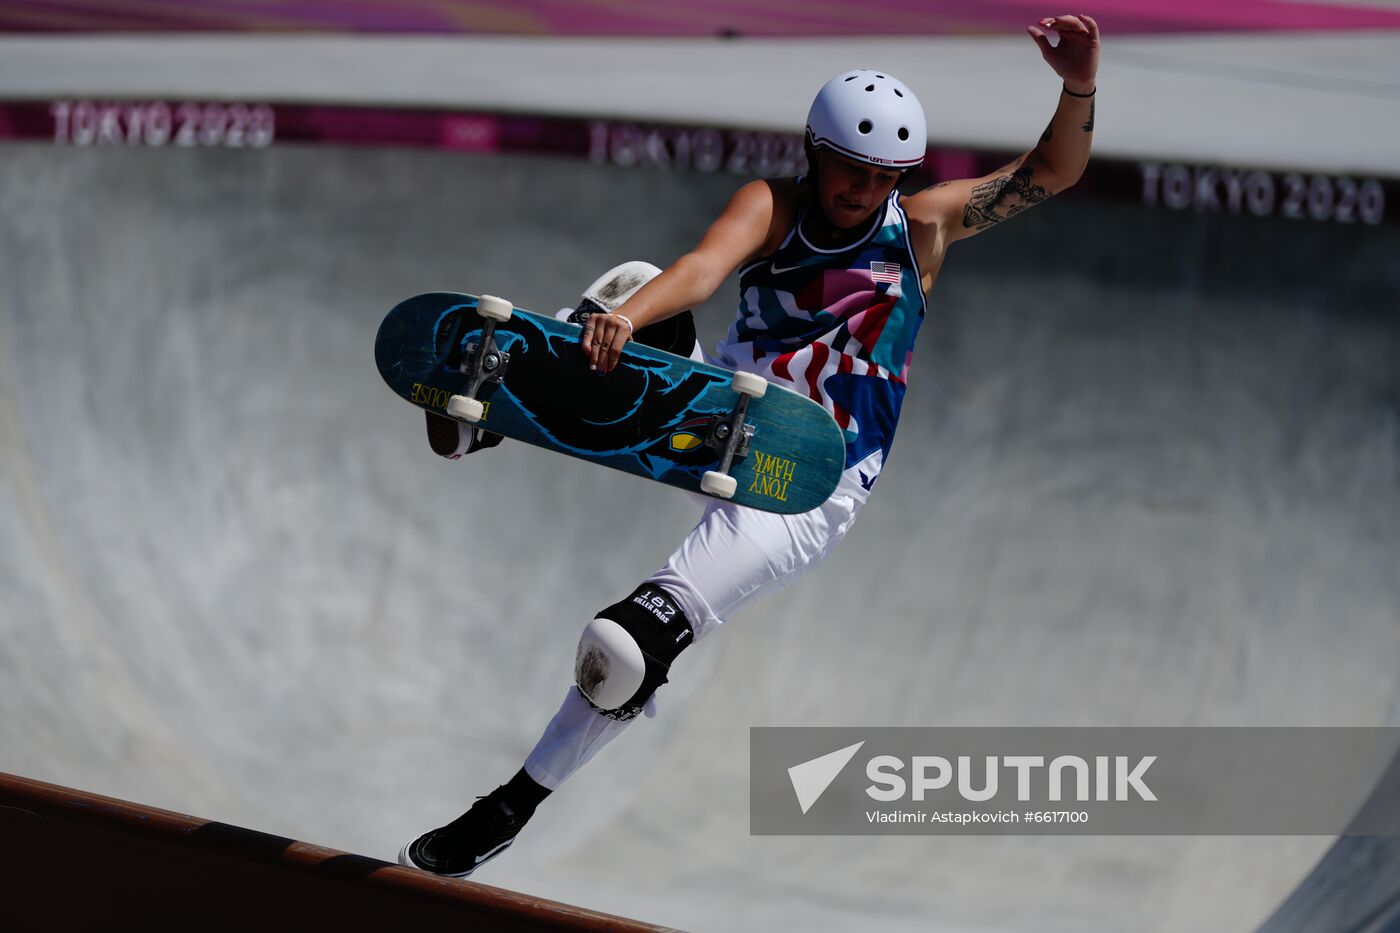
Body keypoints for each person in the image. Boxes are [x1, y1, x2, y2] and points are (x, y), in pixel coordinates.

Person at [400, 13, 1100, 877]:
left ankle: (507, 808)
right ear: (815, 152)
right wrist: (628, 321)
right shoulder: (774, 206)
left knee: (624, 649)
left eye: (881, 175)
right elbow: (701, 269)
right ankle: (486, 420)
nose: (860, 189)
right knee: (634, 288)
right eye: (848, 168)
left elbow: (1054, 171)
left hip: (808, 480)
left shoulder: (922, 227)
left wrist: (1079, 83)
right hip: (721, 410)